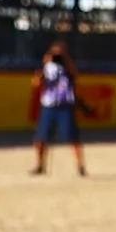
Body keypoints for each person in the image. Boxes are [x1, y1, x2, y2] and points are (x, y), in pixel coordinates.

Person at [31, 42, 86, 177]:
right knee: (41, 138)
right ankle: (40, 165)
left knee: (72, 137)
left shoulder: (67, 68)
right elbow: (37, 82)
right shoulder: (47, 67)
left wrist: (65, 58)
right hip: (49, 104)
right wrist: (45, 64)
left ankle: (80, 166)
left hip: (65, 104)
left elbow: (74, 73)